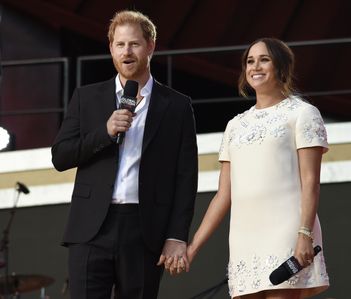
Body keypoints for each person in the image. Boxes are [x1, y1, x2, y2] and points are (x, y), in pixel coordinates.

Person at [51, 10, 198, 299]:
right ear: (111, 49)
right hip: (91, 229)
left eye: (134, 44)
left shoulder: (177, 106)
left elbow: (186, 177)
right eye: (120, 45)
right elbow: (60, 156)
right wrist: (104, 132)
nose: (126, 51)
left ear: (151, 46)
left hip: (144, 230)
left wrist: (176, 236)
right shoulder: (87, 97)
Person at [184, 38, 330, 299]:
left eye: (264, 59)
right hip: (243, 240)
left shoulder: (303, 114)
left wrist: (305, 234)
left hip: (288, 232)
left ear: (282, 67)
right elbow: (223, 195)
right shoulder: (234, 125)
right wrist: (193, 247)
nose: (255, 66)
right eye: (250, 61)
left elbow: (310, 182)